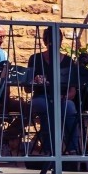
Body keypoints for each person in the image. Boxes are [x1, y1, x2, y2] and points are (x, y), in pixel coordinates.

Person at [26, 26, 80, 157]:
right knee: (46, 107)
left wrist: (64, 97)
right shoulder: (35, 59)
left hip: (62, 98)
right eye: (51, 41)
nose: (54, 44)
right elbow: (27, 88)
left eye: (58, 41)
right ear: (45, 42)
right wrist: (34, 81)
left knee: (69, 107)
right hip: (41, 96)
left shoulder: (68, 61)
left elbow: (73, 92)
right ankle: (50, 150)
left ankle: (72, 150)